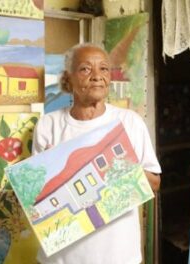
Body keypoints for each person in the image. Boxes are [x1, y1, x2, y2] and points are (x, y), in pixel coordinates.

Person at [33, 43, 161, 264]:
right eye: (85, 69)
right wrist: (47, 170)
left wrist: (123, 170)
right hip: (61, 257)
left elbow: (154, 183)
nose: (97, 76)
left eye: (104, 68)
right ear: (68, 78)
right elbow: (35, 194)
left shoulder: (130, 122)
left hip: (118, 255)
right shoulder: (48, 125)